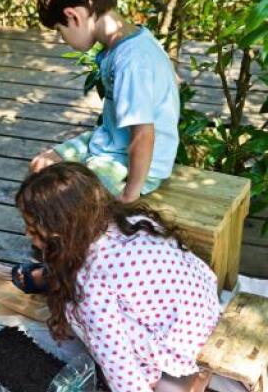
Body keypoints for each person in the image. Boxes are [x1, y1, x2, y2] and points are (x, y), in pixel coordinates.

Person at [14, 0, 180, 293]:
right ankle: (53, 258)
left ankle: (62, 274)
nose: (63, 39)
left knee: (65, 206)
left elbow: (144, 135)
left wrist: (130, 193)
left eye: (60, 31)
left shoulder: (133, 60)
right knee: (41, 167)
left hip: (132, 161)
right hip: (109, 140)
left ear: (74, 16)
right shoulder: (119, 44)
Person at [15, 163, 219, 392]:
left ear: (64, 232)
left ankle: (152, 374)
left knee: (80, 312)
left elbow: (115, 358)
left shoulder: (89, 283)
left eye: (33, 230)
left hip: (181, 344)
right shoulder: (133, 222)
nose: (26, 234)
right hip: (203, 308)